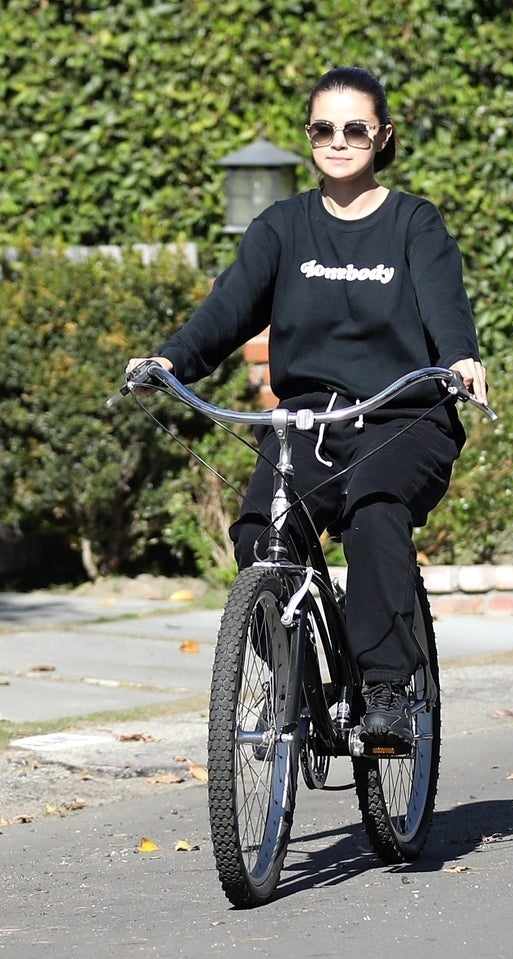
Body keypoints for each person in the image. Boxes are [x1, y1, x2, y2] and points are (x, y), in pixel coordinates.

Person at [127, 66, 487, 746]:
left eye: (357, 128)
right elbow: (227, 308)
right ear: (309, 136)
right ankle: (301, 681)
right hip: (310, 419)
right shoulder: (282, 227)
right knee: (260, 536)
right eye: (325, 127)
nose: (340, 139)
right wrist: (171, 360)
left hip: (401, 414)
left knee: (375, 509)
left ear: (382, 137)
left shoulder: (415, 222)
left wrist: (461, 360)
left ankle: (383, 690)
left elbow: (445, 306)